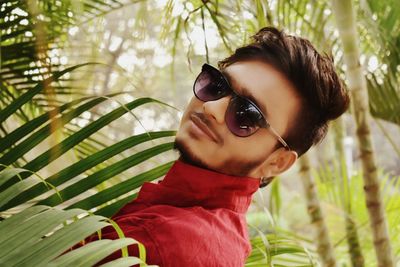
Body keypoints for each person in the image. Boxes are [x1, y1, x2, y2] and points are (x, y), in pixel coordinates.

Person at [87, 27, 350, 266]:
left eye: (247, 114)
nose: (211, 108)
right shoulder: (201, 228)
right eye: (218, 85)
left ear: (277, 162)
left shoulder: (169, 244)